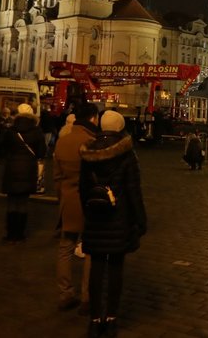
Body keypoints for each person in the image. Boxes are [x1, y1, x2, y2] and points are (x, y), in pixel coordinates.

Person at [79, 109, 147, 337]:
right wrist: (140, 220)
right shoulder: (127, 154)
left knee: (96, 269)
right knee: (116, 269)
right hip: (120, 218)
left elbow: (82, 189)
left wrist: (87, 212)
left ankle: (95, 318)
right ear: (119, 127)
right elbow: (134, 191)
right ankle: (111, 317)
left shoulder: (87, 153)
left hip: (95, 218)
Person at [52, 102, 98, 313]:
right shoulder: (92, 142)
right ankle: (87, 296)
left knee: (65, 248)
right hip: (88, 201)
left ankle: (64, 293)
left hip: (68, 199)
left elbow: (57, 177)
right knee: (90, 249)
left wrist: (62, 198)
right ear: (92, 118)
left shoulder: (63, 141)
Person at [1, 102, 47, 244]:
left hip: (12, 168)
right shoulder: (37, 131)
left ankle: (10, 233)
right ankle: (20, 234)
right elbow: (41, 152)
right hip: (28, 169)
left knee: (11, 202)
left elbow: (3, 148)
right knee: (23, 203)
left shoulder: (11, 130)